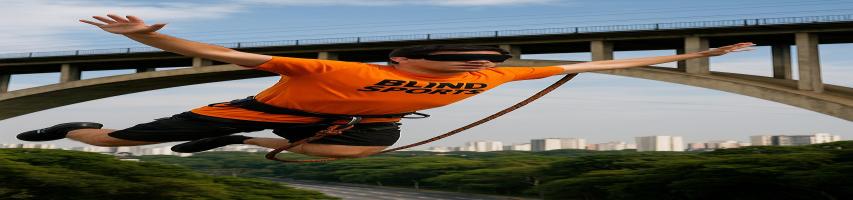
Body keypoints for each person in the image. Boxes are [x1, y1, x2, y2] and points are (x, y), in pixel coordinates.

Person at [17, 14, 754, 158]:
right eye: (453, 67)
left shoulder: (498, 72)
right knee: (118, 142)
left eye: (477, 64)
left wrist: (706, 53)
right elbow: (225, 50)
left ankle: (277, 143)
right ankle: (58, 132)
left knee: (358, 154)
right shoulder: (341, 69)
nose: (468, 75)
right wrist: (152, 39)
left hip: (345, 127)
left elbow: (598, 65)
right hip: (249, 106)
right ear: (418, 64)